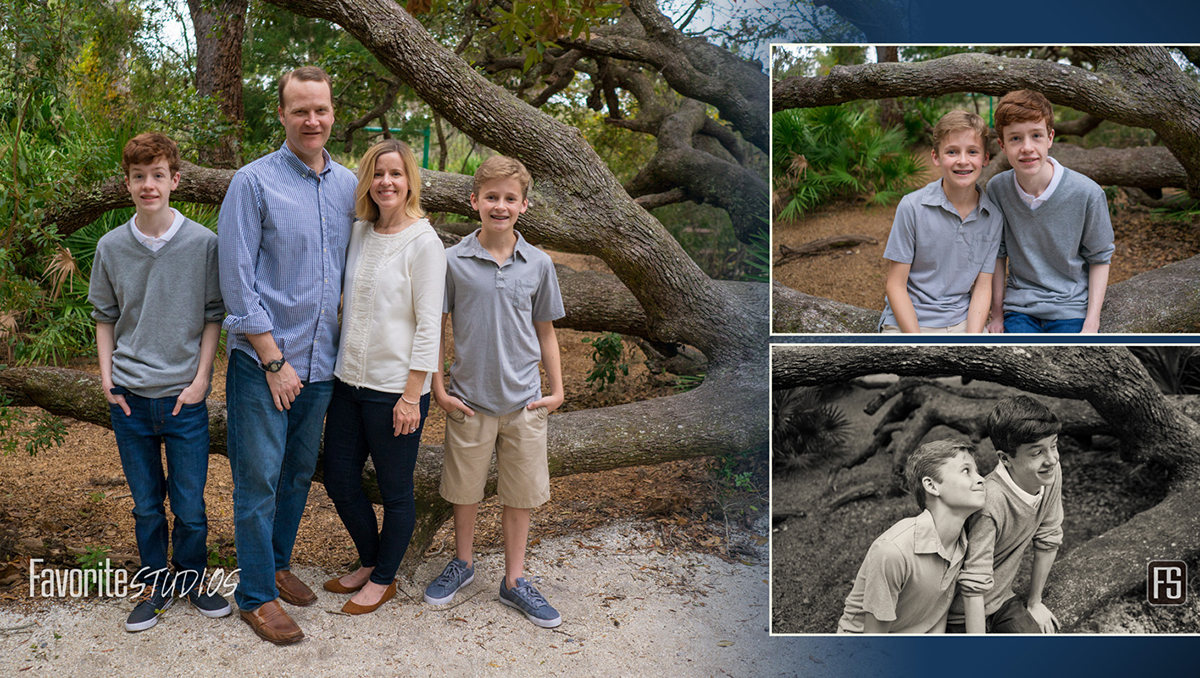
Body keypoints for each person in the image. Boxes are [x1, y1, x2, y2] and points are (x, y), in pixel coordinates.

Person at [218, 65, 357, 644]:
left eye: (320, 109)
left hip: (322, 363)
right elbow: (237, 277)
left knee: (298, 473)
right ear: (281, 114)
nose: (312, 120)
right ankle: (255, 596)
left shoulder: (351, 185)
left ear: (332, 112)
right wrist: (273, 360)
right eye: (300, 110)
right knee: (259, 479)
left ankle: (275, 564)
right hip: (264, 364)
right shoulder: (252, 183)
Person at [88, 132, 229, 631]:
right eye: (139, 177)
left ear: (175, 180)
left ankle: (192, 580)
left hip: (183, 400)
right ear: (127, 184)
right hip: (128, 398)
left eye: (158, 175)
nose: (150, 185)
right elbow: (104, 317)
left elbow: (215, 315)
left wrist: (201, 379)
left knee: (189, 505)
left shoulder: (203, 244)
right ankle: (154, 586)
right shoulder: (110, 247)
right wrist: (108, 380)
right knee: (147, 506)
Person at [422, 155, 566, 628]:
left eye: (509, 198)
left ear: (523, 205)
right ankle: (462, 563)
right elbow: (436, 328)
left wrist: (557, 390)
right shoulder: (452, 261)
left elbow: (545, 332)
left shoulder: (539, 264)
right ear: (474, 202)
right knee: (464, 489)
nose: (499, 206)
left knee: (519, 494)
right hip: (469, 398)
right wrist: (440, 389)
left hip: (524, 400)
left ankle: (514, 580)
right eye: (491, 197)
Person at [320, 139, 447, 615]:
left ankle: (384, 579)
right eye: (377, 173)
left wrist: (412, 395)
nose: (386, 182)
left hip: (395, 390)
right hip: (347, 384)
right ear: (367, 182)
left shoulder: (425, 243)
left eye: (395, 173)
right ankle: (370, 560)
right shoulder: (359, 232)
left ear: (410, 180)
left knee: (395, 492)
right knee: (339, 479)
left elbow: (430, 324)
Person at [986, 90, 1115, 334]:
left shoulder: (1087, 193)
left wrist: (1092, 322)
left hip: (1071, 308)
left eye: (1036, 135)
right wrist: (997, 315)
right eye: (1015, 139)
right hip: (1020, 309)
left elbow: (1100, 258)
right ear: (1002, 145)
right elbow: (998, 253)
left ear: (1050, 138)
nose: (1027, 148)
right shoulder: (997, 189)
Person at [837, 440, 986, 633]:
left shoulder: (963, 543)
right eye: (966, 470)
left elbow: (936, 614)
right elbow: (874, 640)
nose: (981, 479)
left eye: (977, 471)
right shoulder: (893, 551)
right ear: (931, 486)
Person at [949, 395, 1064, 633]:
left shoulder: (1050, 474)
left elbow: (1049, 536)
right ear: (1005, 458)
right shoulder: (990, 501)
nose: (1051, 459)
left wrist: (1035, 602)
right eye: (1036, 453)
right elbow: (973, 583)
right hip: (961, 614)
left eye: (1053, 445)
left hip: (1002, 600)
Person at [880, 110, 1002, 333]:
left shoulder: (993, 217)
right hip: (909, 320)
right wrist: (917, 343)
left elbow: (982, 288)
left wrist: (972, 340)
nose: (963, 161)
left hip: (963, 320)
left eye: (972, 152)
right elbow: (895, 285)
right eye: (952, 152)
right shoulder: (912, 207)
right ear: (936, 157)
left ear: (985, 158)